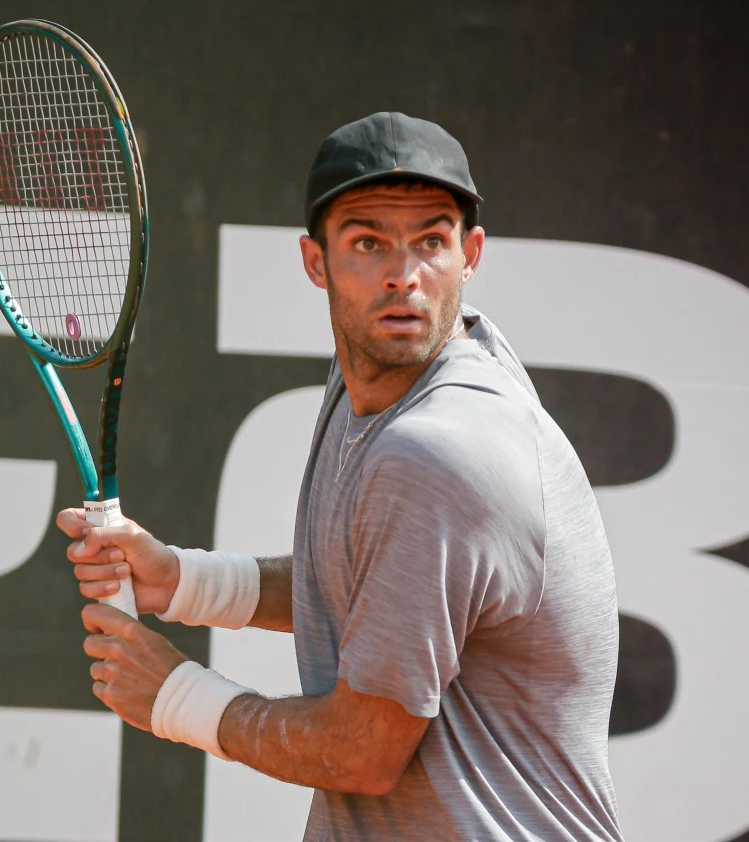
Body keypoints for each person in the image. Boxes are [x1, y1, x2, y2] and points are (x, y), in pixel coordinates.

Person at [58, 112, 624, 842]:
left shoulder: (438, 451)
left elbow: (362, 752)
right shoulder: (385, 375)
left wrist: (172, 695)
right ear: (315, 261)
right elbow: (380, 583)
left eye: (431, 240)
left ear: (470, 253)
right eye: (368, 242)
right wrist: (182, 582)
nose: (404, 275)